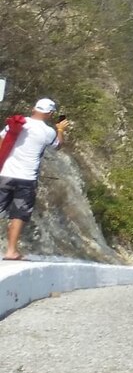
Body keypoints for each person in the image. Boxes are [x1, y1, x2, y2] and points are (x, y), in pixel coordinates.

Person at [0, 98, 68, 261]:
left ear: (33, 109)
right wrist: (60, 129)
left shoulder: (17, 123)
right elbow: (58, 145)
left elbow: (2, 141)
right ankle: (11, 251)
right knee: (19, 214)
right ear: (50, 113)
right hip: (27, 179)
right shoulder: (48, 132)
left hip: (5, 173)